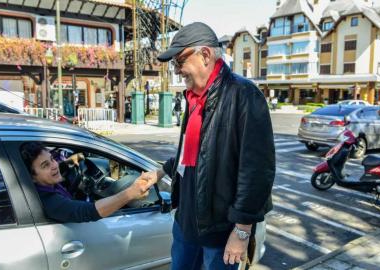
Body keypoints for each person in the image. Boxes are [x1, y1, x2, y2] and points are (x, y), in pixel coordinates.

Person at [142, 22, 275, 269]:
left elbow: (257, 171)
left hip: (220, 231)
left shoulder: (244, 95)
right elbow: (191, 155)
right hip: (185, 224)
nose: (178, 70)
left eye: (180, 61)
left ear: (205, 55)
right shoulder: (193, 98)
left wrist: (242, 230)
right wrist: (159, 171)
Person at [21, 142, 151, 223]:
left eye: (52, 159)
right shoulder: (49, 202)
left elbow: (56, 169)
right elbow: (88, 212)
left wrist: (68, 163)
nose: (54, 165)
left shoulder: (44, 184)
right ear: (31, 177)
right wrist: (130, 193)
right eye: (45, 165)